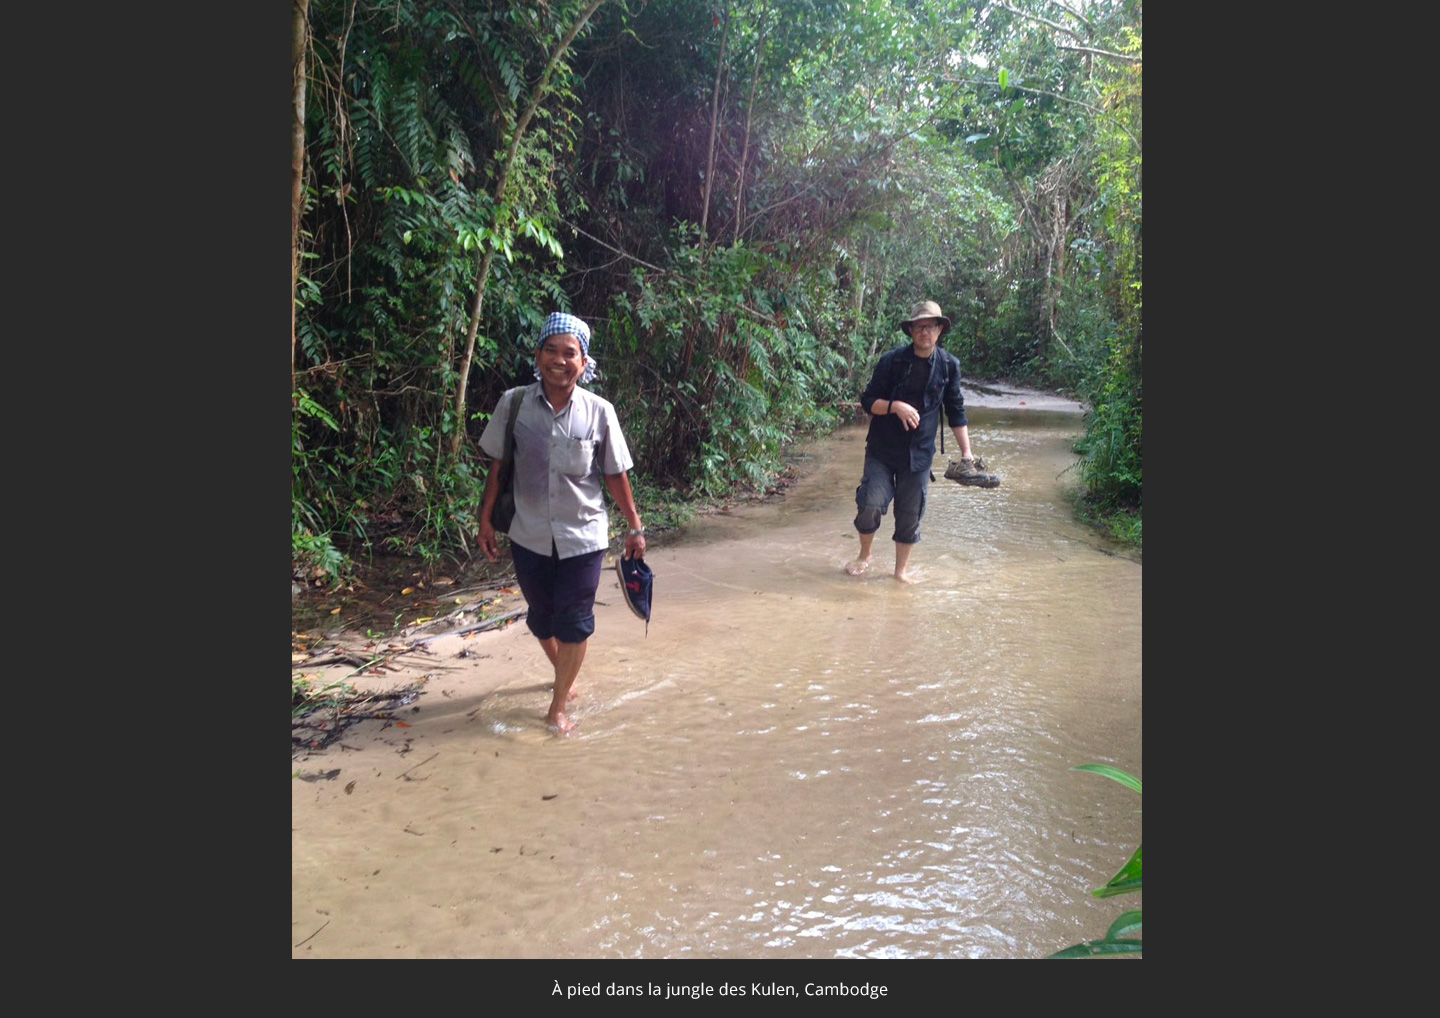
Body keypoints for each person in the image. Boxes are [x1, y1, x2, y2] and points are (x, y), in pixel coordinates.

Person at [476, 312, 646, 733]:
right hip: (529, 533)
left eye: (569, 353)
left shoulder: (599, 412)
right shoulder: (513, 403)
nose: (559, 360)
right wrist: (484, 520)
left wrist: (635, 526)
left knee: (573, 619)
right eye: (550, 350)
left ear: (583, 363)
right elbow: (498, 467)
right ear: (537, 356)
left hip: (583, 536)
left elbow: (614, 474)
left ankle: (557, 707)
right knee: (541, 616)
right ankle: (564, 675)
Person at [846, 300, 983, 582]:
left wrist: (967, 453)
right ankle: (865, 555)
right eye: (919, 326)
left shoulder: (948, 366)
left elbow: (956, 410)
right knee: (870, 504)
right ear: (911, 331)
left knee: (910, 515)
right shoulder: (891, 361)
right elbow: (868, 401)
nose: (925, 332)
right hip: (882, 450)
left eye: (931, 326)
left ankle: (900, 573)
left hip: (919, 455)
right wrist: (895, 406)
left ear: (940, 330)